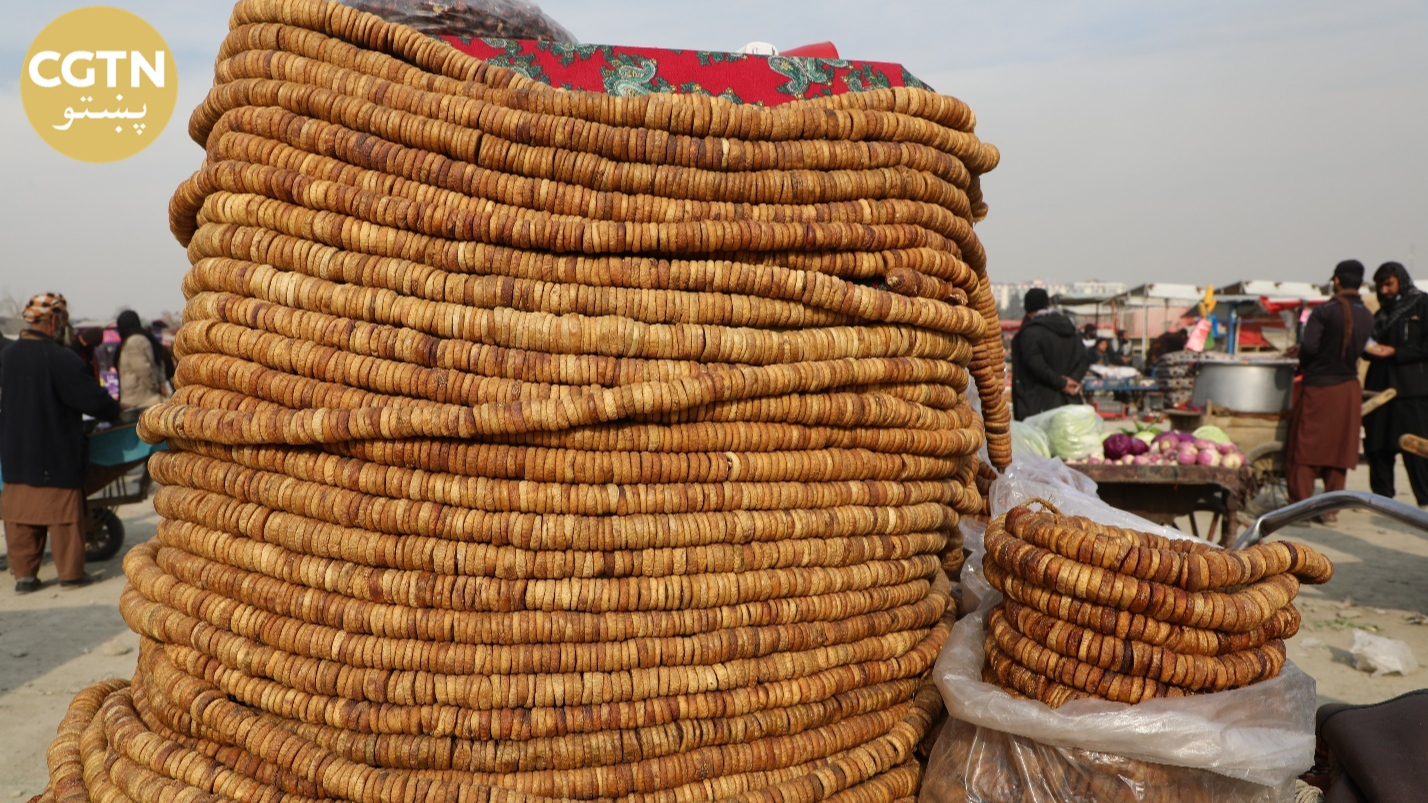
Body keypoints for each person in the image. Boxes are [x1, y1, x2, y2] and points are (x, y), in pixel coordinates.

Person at [0, 293, 121, 593]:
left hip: (16, 456)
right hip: (55, 457)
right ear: (54, 321)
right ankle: (70, 575)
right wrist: (114, 408)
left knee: (20, 519)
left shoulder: (7, 356)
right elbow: (93, 400)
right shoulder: (60, 358)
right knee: (64, 518)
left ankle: (25, 577)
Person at [1284, 261, 1375, 521]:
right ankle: (1330, 512)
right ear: (1360, 282)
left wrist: (1301, 358)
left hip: (1320, 389)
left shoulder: (1325, 311)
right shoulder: (1367, 315)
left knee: (1304, 452)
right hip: (1348, 391)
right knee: (1338, 453)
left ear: (1336, 281)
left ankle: (1299, 510)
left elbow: (1310, 347)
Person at [1363, 261, 1428, 505]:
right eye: (1380, 286)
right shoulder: (1380, 315)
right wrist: (1370, 350)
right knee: (1377, 447)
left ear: (1401, 280)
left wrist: (1397, 352)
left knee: (1416, 448)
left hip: (1412, 391)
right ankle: (1382, 501)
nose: (1385, 290)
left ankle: (1425, 502)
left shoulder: (1422, 304)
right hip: (1380, 392)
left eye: (1389, 284)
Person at [1011, 288, 1091, 420]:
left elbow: (1036, 365)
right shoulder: (1071, 330)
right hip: (1070, 402)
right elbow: (1085, 358)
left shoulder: (1030, 333)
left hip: (1038, 408)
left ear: (1028, 310)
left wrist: (1062, 383)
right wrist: (1072, 381)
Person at [115, 309, 173, 408]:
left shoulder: (134, 342)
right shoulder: (143, 338)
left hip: (140, 399)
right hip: (144, 397)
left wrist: (156, 387)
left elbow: (144, 370)